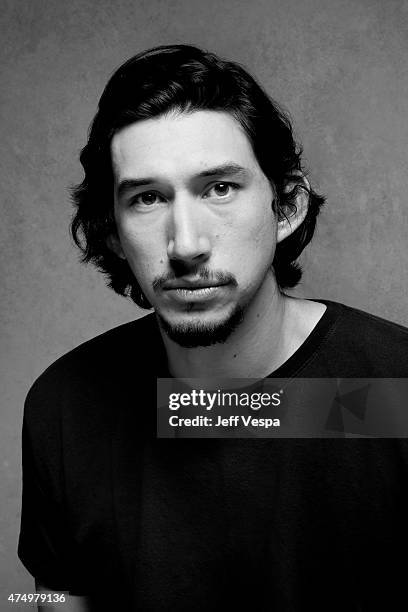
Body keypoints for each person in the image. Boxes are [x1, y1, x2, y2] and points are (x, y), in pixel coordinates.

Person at [18, 44, 408, 611]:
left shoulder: (391, 392)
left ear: (287, 207)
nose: (188, 245)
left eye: (219, 188)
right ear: (110, 232)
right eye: (148, 198)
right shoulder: (71, 407)